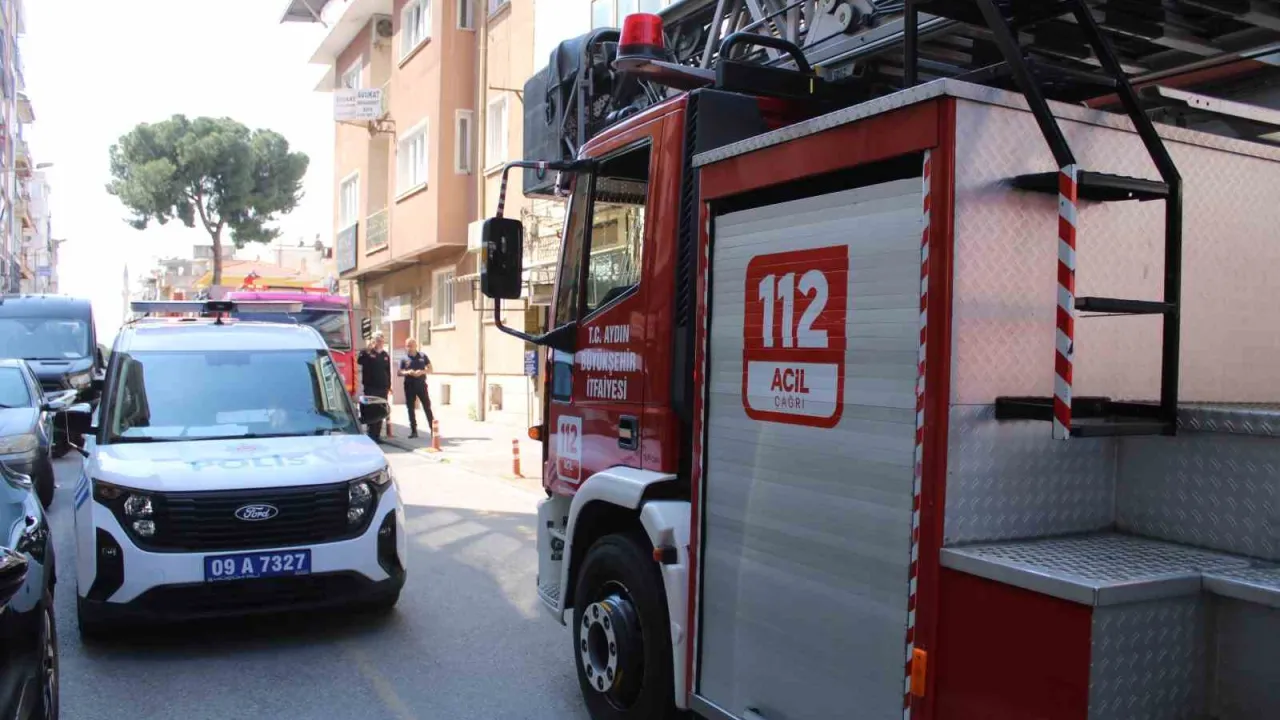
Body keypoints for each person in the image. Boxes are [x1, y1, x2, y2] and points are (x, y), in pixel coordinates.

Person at [356, 333, 392, 442]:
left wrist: (389, 386)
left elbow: (388, 371)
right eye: (378, 340)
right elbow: (359, 360)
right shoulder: (367, 353)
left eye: (381, 341)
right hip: (371, 387)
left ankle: (377, 435)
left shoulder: (385, 355)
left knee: (380, 410)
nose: (380, 343)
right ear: (373, 341)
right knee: (371, 410)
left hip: (383, 387)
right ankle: (370, 435)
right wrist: (368, 349)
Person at [398, 338, 435, 439]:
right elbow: (399, 372)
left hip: (421, 385)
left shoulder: (422, 356)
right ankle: (414, 431)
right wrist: (408, 372)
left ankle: (433, 429)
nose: (410, 348)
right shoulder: (404, 358)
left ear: (416, 345)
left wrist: (422, 372)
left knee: (427, 406)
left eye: (411, 345)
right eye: (408, 346)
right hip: (409, 386)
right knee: (410, 408)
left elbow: (431, 369)